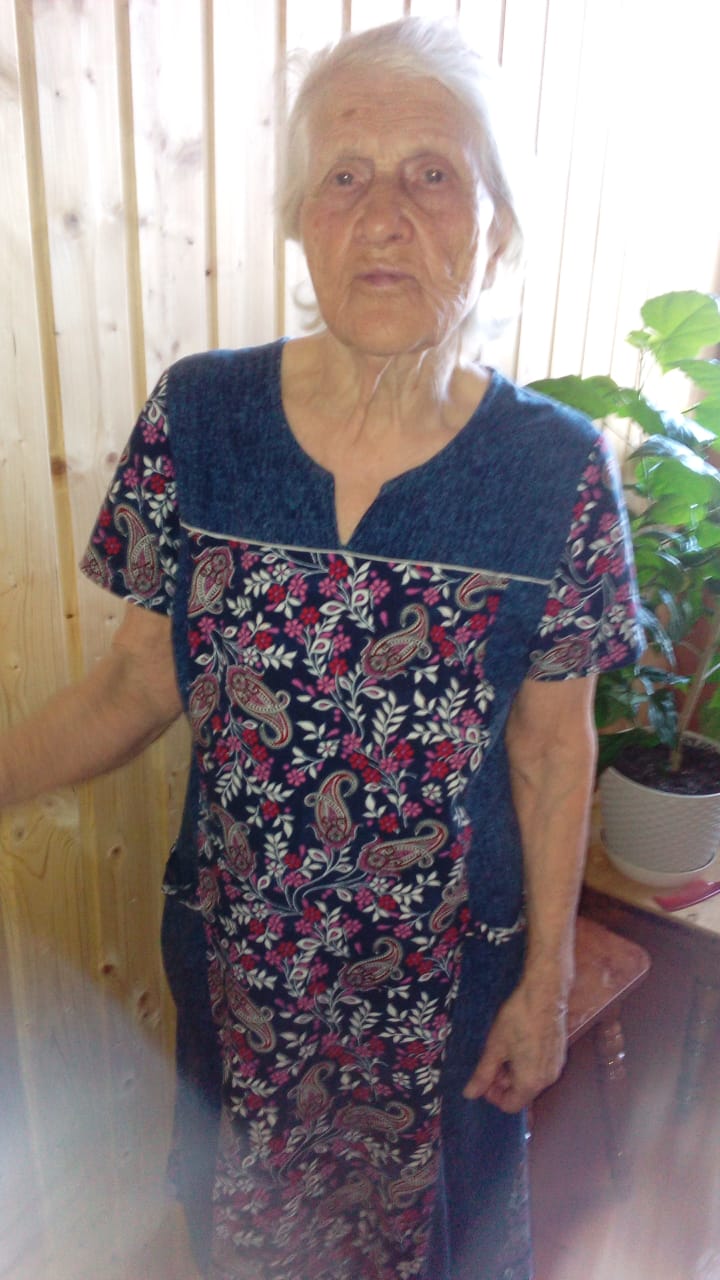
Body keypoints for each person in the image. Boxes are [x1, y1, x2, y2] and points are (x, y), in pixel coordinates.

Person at [0, 17, 641, 1280]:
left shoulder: (556, 471)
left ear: (496, 228)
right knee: (244, 1238)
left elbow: (553, 750)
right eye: (345, 175)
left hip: (447, 983)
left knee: (442, 1248)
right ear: (302, 222)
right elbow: (135, 680)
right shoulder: (201, 418)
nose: (384, 216)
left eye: (433, 173)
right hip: (243, 966)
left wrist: (549, 982)